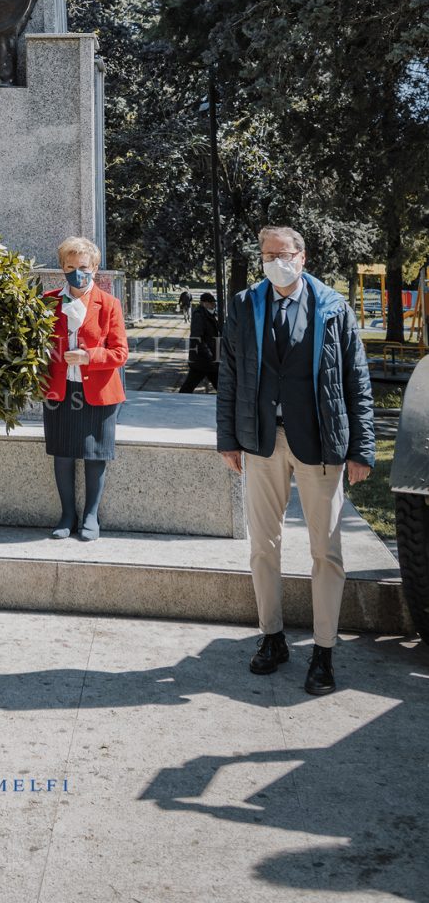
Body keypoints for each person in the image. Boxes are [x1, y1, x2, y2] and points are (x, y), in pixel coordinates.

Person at [217, 225, 374, 695]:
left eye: (282, 253)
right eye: (266, 253)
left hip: (321, 444)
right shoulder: (245, 305)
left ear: (302, 257)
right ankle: (272, 637)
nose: (273, 261)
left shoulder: (334, 307)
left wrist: (361, 448)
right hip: (262, 442)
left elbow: (356, 380)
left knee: (326, 551)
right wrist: (228, 439)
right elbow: (230, 375)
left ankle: (323, 651)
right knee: (263, 546)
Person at [42, 236, 129, 541]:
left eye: (82, 266)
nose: (76, 272)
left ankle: (91, 516)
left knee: (95, 455)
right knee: (62, 455)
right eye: (69, 266)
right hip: (60, 390)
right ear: (61, 268)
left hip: (99, 392)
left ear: (94, 267)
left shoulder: (109, 304)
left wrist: (88, 356)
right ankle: (67, 515)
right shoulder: (48, 301)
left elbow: (120, 353)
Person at [179, 292, 221, 393]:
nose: (213, 305)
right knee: (189, 385)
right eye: (211, 303)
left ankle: (228, 402)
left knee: (219, 384)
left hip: (208, 359)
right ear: (204, 303)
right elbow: (197, 338)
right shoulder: (199, 315)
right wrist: (208, 354)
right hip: (203, 359)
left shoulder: (209, 314)